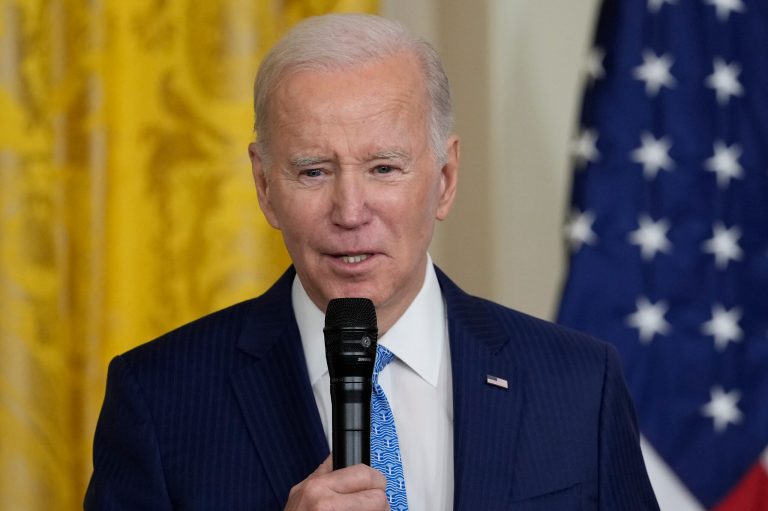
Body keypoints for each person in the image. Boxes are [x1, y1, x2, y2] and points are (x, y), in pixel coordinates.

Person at [84, 13, 659, 511]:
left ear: (445, 180)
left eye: (384, 167)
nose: (350, 211)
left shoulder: (579, 386)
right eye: (314, 171)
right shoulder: (158, 398)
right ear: (264, 187)